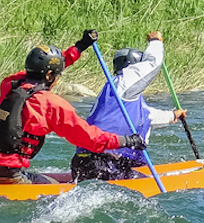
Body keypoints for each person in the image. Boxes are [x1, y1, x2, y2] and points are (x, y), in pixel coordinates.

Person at [0, 30, 143, 183]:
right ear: (49, 75)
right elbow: (89, 139)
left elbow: (38, 72)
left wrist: (79, 48)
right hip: (7, 177)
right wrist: (125, 141)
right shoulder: (51, 105)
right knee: (57, 191)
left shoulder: (10, 85)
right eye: (57, 74)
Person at [74, 31, 187, 181]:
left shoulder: (121, 96)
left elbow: (146, 117)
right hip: (107, 164)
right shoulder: (124, 82)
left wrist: (173, 115)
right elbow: (153, 63)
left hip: (87, 163)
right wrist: (155, 42)